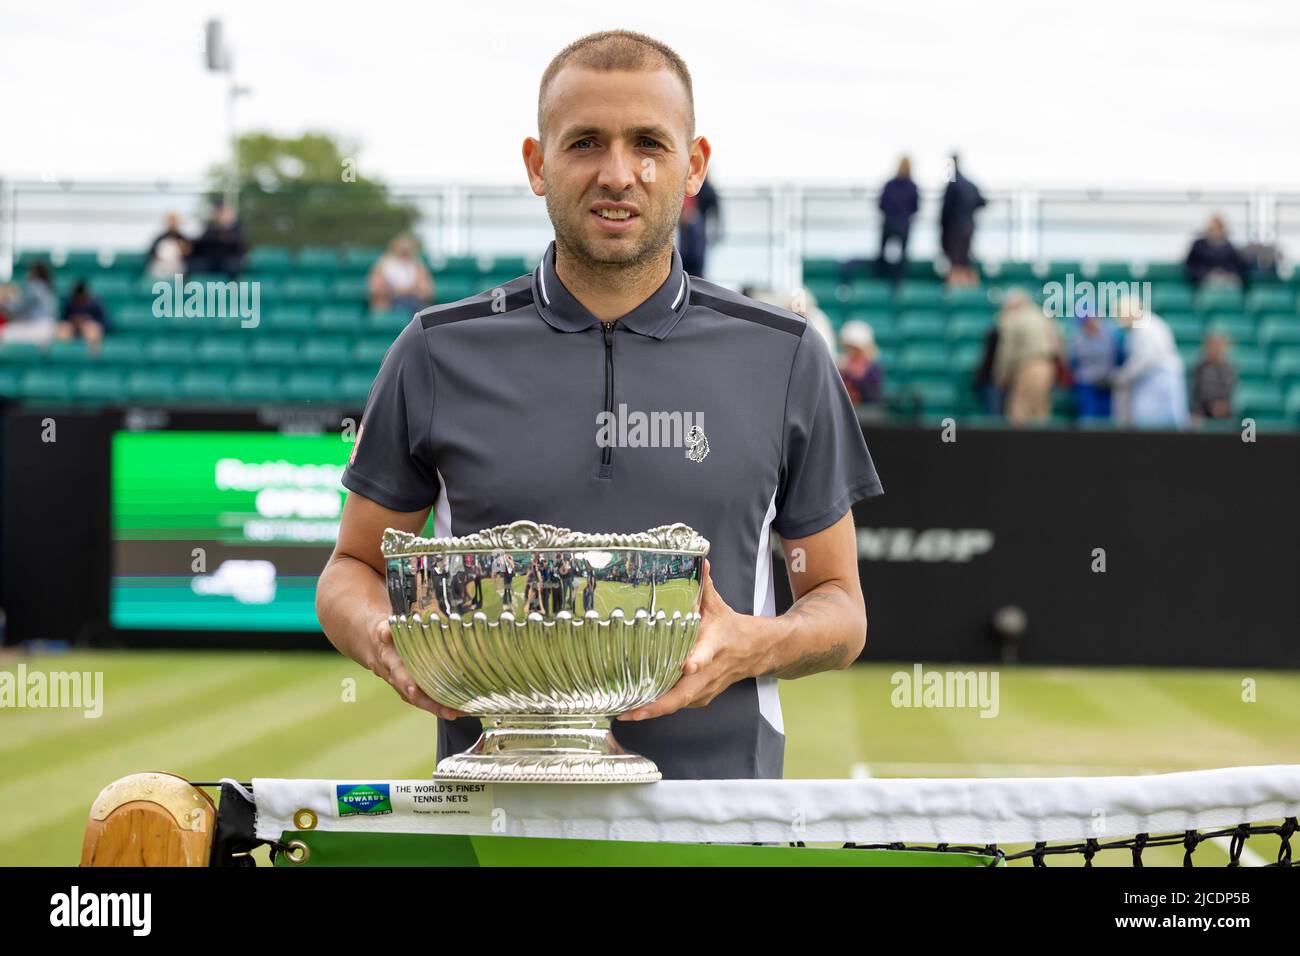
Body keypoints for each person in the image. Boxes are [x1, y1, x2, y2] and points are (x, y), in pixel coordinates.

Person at [316, 30, 883, 782]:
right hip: (498, 823)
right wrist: (387, 639)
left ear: (695, 166)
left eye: (648, 142)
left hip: (720, 821)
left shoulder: (785, 354)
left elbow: (840, 607)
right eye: (585, 142)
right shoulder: (435, 351)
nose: (618, 174)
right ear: (536, 164)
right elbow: (349, 570)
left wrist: (754, 643)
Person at [1110, 292, 1189, 430]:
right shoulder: (1145, 325)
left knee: (1156, 423)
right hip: (1152, 380)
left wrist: (1122, 377)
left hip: (1158, 381)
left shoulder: (1145, 327)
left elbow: (1143, 360)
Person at [992, 288, 1060, 426]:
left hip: (1026, 367)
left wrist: (1001, 375)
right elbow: (1057, 345)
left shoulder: (1013, 319)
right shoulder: (1043, 316)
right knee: (1041, 410)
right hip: (1046, 366)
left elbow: (1007, 350)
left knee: (1018, 411)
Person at [939, 153, 986, 287]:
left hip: (954, 230)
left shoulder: (952, 184)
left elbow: (945, 211)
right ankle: (971, 291)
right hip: (968, 227)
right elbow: (982, 202)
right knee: (965, 261)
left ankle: (957, 296)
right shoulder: (969, 183)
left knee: (956, 263)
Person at [1068, 303, 1119, 420]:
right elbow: (1073, 362)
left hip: (1107, 384)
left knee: (1107, 420)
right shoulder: (1077, 338)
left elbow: (1118, 357)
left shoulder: (1111, 333)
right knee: (1088, 419)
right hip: (1087, 385)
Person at [876, 156, 919, 286]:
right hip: (903, 224)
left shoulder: (889, 184)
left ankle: (880, 278)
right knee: (902, 257)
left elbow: (881, 204)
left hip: (889, 223)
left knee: (882, 253)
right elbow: (915, 207)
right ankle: (898, 282)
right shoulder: (912, 186)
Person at [368, 234, 435, 313]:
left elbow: (426, 291)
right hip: (389, 303)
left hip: (414, 303)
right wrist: (408, 290)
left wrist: (400, 291)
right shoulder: (383, 265)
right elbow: (377, 289)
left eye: (408, 249)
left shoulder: (418, 266)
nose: (404, 252)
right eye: (402, 249)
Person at [0, 262, 59, 345]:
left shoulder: (35, 286)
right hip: (48, 329)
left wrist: (3, 303)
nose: (27, 274)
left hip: (37, 328)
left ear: (35, 272)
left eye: (29, 271)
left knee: (4, 333)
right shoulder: (48, 288)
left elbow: (16, 308)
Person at [1185, 215, 1248, 288]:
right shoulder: (1198, 246)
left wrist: (1227, 274)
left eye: (1217, 229)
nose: (1215, 232)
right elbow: (1192, 266)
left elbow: (1237, 266)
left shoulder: (1229, 247)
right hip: (1204, 280)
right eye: (1212, 229)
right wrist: (1208, 274)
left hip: (1227, 279)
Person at [188, 202, 247, 278]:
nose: (221, 216)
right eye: (219, 213)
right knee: (195, 265)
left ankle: (232, 288)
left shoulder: (237, 229)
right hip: (211, 261)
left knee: (233, 266)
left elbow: (240, 247)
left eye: (223, 213)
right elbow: (201, 245)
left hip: (228, 262)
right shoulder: (210, 229)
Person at [1189, 332, 1237, 421]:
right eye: (1212, 346)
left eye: (1219, 346)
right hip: (1201, 412)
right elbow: (1196, 392)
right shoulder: (1199, 368)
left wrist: (1221, 405)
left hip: (1224, 412)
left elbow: (1229, 390)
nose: (1215, 349)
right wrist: (1210, 406)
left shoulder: (1229, 369)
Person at [678, 176, 720, 277]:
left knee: (694, 264)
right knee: (690, 264)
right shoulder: (705, 188)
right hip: (689, 231)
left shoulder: (705, 189)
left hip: (697, 231)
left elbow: (715, 211)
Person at [837, 320, 884, 405]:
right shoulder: (841, 366)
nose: (852, 352)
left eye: (855, 348)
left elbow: (872, 394)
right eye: (849, 348)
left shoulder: (873, 368)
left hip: (868, 412)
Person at [55, 281, 110, 348]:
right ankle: (63, 354)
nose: (80, 299)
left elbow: (105, 323)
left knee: (92, 330)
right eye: (78, 296)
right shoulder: (69, 303)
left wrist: (88, 320)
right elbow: (63, 319)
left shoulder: (96, 304)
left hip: (89, 328)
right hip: (72, 328)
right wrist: (74, 321)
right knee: (63, 329)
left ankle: (93, 357)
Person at [146, 213, 190, 279]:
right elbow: (152, 253)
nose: (172, 224)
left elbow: (189, 253)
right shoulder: (160, 238)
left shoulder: (182, 238)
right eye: (171, 221)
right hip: (161, 265)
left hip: (177, 265)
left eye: (174, 221)